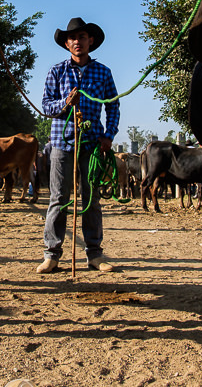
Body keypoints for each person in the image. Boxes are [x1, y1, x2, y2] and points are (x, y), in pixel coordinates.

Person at [37, 17, 120, 274]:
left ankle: (95, 254)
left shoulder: (103, 72)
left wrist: (109, 135)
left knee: (91, 198)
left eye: (82, 37)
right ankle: (52, 254)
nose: (77, 42)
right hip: (62, 142)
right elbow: (46, 106)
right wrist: (65, 103)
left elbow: (113, 105)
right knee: (58, 198)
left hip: (93, 143)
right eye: (72, 38)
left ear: (90, 41)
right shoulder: (57, 71)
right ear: (66, 44)